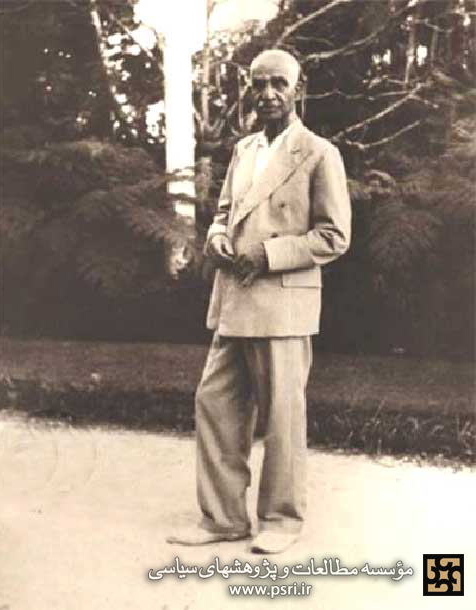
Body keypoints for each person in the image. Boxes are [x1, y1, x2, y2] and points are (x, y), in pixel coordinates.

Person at [168, 49, 351, 554]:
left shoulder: (319, 153)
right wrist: (217, 237)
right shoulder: (243, 149)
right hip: (233, 300)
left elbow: (334, 236)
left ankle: (282, 520)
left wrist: (269, 255)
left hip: (282, 307)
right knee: (214, 405)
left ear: (298, 89)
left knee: (282, 418)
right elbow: (224, 212)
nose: (268, 94)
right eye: (259, 84)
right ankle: (223, 518)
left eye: (278, 84)